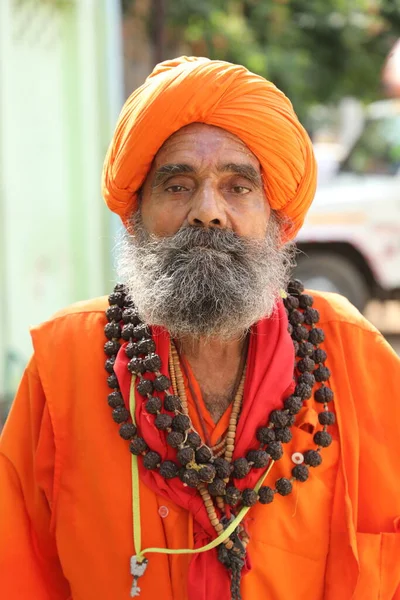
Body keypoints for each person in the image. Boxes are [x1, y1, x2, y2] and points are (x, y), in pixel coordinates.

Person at [1, 56, 400, 600]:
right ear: (135, 217)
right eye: (178, 185)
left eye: (237, 187)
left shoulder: (353, 356)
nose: (207, 211)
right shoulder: (64, 365)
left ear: (278, 222)